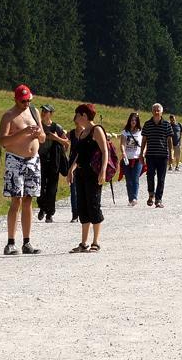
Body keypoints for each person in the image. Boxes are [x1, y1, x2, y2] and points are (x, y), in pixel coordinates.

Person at [0, 83, 46, 255]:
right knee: (16, 200)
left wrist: (39, 134)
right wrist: (23, 132)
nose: (26, 104)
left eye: (28, 100)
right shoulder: (8, 116)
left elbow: (43, 138)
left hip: (33, 161)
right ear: (15, 100)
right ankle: (11, 242)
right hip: (15, 160)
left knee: (28, 200)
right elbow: (3, 141)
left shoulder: (34, 112)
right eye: (23, 101)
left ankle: (27, 242)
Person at [66, 103, 108, 252]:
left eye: (77, 115)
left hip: (93, 174)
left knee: (93, 205)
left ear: (84, 115)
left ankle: (96, 242)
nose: (75, 118)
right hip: (81, 174)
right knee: (82, 206)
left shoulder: (97, 130)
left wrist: (103, 171)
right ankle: (84, 243)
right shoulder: (83, 132)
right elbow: (79, 155)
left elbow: (105, 151)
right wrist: (71, 169)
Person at [37, 104, 68, 223]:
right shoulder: (38, 125)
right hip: (40, 160)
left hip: (54, 161)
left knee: (52, 189)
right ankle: (42, 207)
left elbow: (66, 143)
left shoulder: (57, 127)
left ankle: (49, 214)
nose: (43, 113)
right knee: (40, 186)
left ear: (51, 114)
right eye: (42, 111)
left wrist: (56, 138)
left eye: (46, 111)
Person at [140, 102, 171, 207]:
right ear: (152, 111)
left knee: (161, 178)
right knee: (150, 176)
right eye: (154, 110)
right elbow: (144, 140)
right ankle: (151, 195)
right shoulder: (147, 124)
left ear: (162, 112)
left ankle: (158, 199)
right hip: (150, 155)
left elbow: (169, 140)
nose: (156, 112)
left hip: (163, 155)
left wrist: (171, 154)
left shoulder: (167, 124)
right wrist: (141, 154)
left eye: (158, 110)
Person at [121, 112, 143, 205]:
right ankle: (130, 199)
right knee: (128, 180)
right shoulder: (125, 132)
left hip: (137, 158)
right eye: (132, 120)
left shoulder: (141, 132)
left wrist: (143, 153)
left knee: (135, 178)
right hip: (127, 158)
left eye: (135, 120)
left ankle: (134, 198)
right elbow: (122, 144)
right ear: (129, 121)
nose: (133, 122)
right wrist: (123, 152)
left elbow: (144, 144)